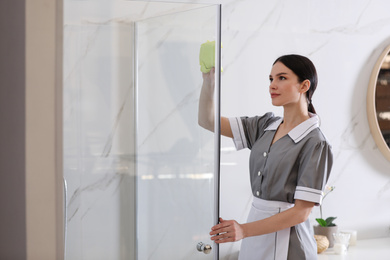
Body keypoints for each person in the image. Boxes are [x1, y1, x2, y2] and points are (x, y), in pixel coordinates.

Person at [198, 54, 333, 260]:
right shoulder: (264, 125)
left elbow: (301, 213)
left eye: (282, 78)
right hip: (255, 236)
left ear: (304, 85)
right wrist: (209, 81)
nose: (272, 85)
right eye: (271, 79)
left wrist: (243, 230)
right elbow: (207, 121)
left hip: (290, 246)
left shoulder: (315, 142)